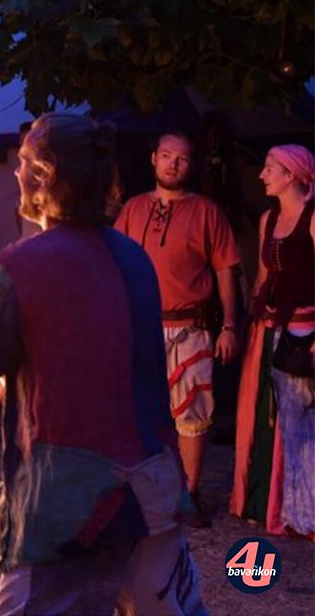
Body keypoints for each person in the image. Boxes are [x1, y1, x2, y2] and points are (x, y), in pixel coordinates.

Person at [0, 114, 205, 615]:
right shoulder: (133, 257)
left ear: (46, 174)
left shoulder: (21, 263)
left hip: (72, 499)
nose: (16, 173)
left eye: (23, 162)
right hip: (153, 486)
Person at [115, 132, 241, 527]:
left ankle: (189, 493)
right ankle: (143, 495)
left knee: (193, 413)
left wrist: (230, 325)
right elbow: (115, 265)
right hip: (143, 328)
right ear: (153, 159)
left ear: (191, 164)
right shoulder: (133, 210)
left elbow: (225, 272)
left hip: (192, 328)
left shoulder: (207, 212)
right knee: (140, 412)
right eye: (166, 156)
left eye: (182, 159)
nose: (173, 164)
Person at [231, 144, 315, 538]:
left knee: (300, 426)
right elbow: (264, 279)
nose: (262, 175)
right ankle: (265, 506)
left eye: (270, 169)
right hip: (268, 329)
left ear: (291, 175)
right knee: (265, 419)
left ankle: (303, 514)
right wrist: (252, 321)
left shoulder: (313, 219)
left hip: (303, 331)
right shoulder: (268, 219)